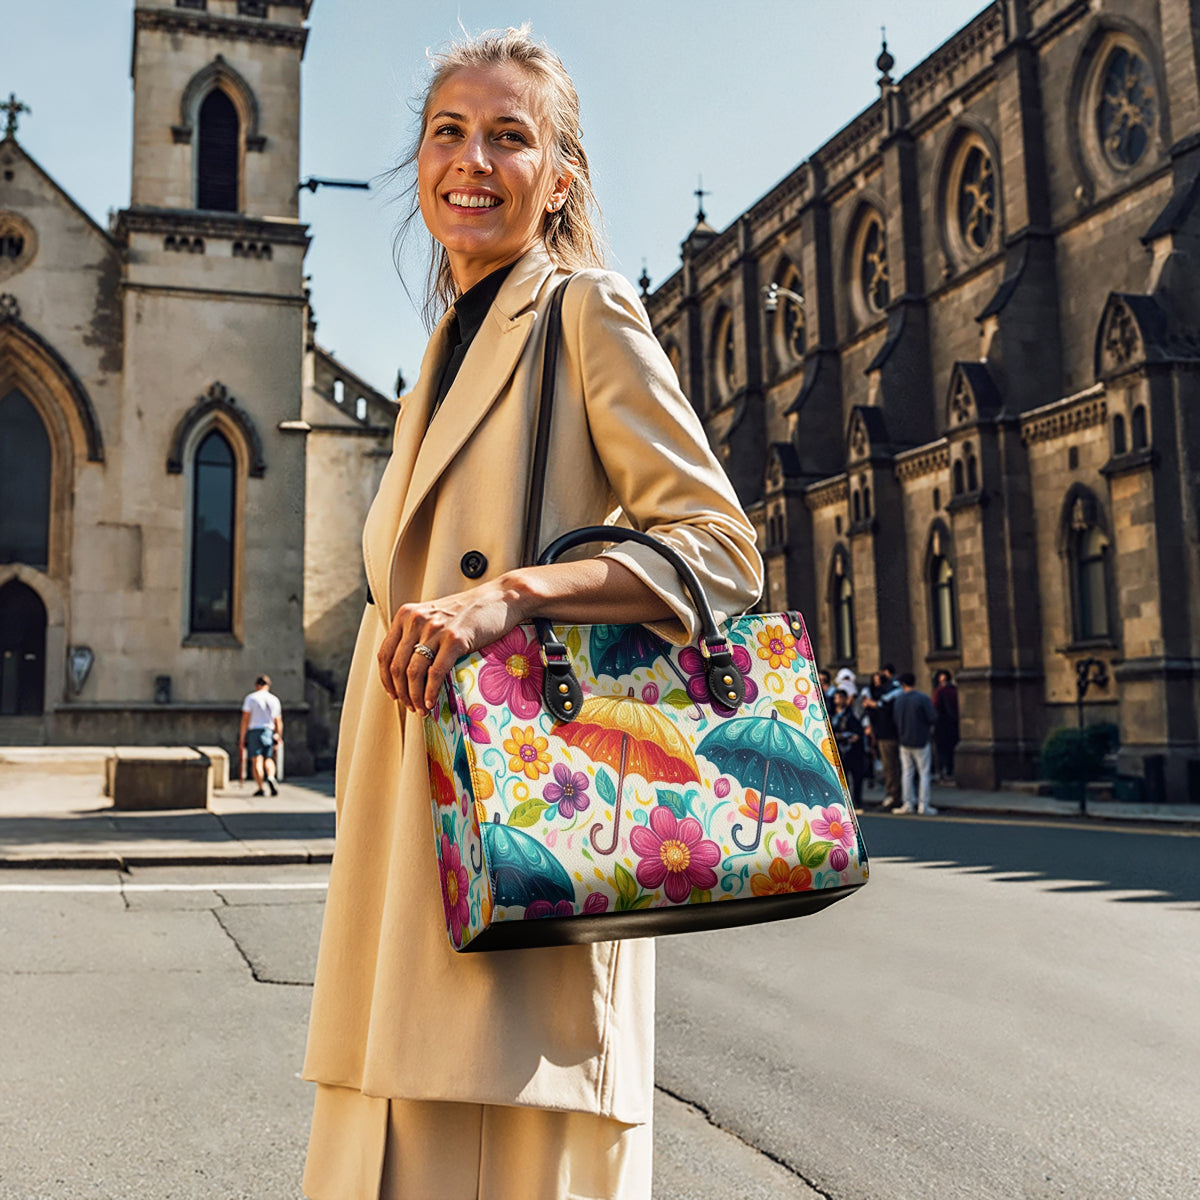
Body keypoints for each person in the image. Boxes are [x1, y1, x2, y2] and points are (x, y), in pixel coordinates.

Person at [300, 27, 762, 1200]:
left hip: (527, 857)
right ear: (418, 163)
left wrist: (510, 595)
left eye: (511, 136)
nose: (473, 159)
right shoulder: (436, 358)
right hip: (408, 858)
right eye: (448, 132)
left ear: (559, 179)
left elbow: (721, 550)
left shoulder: (585, 311)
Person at [893, 672, 938, 815]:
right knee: (924, 773)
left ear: (902, 684)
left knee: (907, 773)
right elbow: (933, 717)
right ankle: (923, 805)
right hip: (921, 739)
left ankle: (908, 803)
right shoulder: (922, 698)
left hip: (904, 740)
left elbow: (895, 719)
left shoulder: (898, 700)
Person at [862, 663, 902, 808]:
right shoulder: (876, 695)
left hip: (888, 734)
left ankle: (893, 795)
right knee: (888, 767)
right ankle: (893, 793)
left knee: (890, 767)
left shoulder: (889, 695)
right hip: (880, 733)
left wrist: (874, 705)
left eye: (880, 679)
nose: (877, 683)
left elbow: (884, 707)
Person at [238, 674, 281, 797]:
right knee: (268, 759)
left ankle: (260, 787)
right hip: (269, 730)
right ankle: (271, 777)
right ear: (268, 686)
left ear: (256, 685)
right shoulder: (274, 699)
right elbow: (278, 720)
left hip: (254, 730)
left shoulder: (251, 698)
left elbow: (245, 719)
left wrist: (242, 737)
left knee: (257, 759)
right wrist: (278, 735)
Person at [831, 687, 865, 811]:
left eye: (839, 697)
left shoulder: (852, 713)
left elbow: (859, 731)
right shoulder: (832, 714)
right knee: (842, 777)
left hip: (852, 750)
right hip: (839, 749)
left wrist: (854, 736)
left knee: (856, 777)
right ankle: (844, 801)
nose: (837, 700)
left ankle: (856, 801)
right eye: (836, 697)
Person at [932, 668, 960, 782]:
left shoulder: (939, 691)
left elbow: (935, 706)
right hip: (953, 722)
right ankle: (951, 769)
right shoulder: (955, 690)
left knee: (942, 749)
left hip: (942, 723)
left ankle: (944, 771)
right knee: (952, 747)